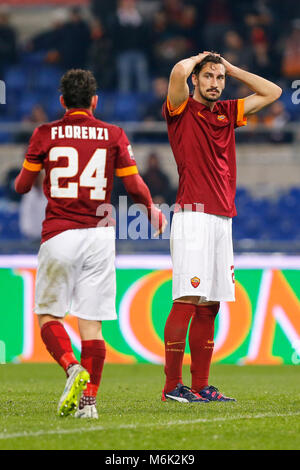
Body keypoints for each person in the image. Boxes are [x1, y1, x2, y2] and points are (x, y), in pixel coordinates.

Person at [14, 69, 167, 418]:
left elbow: (22, 187)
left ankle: (71, 368)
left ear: (62, 101)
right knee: (92, 324)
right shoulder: (113, 134)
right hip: (100, 235)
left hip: (60, 233)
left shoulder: (44, 134)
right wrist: (153, 211)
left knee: (48, 315)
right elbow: (135, 185)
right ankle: (89, 404)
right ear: (95, 101)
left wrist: (39, 165)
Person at [161, 52, 281, 403]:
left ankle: (201, 385)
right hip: (193, 214)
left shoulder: (227, 112)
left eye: (219, 78)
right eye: (208, 77)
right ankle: (171, 386)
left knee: (210, 304)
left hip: (222, 217)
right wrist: (200, 59)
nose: (215, 83)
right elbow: (176, 72)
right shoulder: (180, 109)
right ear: (195, 81)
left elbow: (272, 92)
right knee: (186, 297)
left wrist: (231, 68)